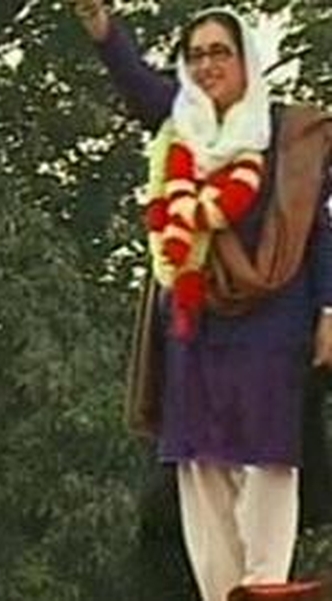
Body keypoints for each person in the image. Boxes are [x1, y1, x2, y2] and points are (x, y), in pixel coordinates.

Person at [70, 2, 332, 600]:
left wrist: (328, 313)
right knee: (200, 463)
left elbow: (319, 232)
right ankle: (222, 593)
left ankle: (265, 585)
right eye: (196, 55)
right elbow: (136, 83)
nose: (208, 65)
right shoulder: (180, 121)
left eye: (220, 52)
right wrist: (106, 32)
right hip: (194, 317)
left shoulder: (288, 135)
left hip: (275, 319)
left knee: (269, 457)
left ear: (246, 61)